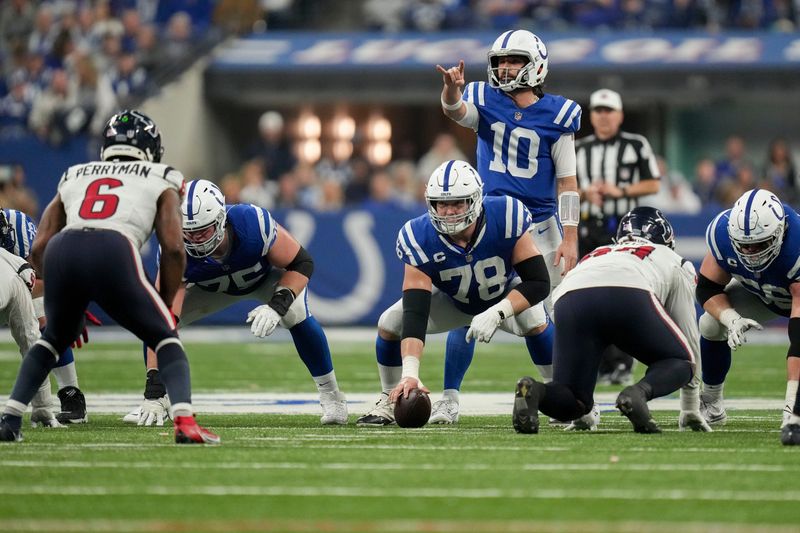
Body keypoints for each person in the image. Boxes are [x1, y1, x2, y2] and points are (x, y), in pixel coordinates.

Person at [0, 109, 219, 444]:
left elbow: (42, 242)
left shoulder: (76, 173)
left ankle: (10, 419)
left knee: (52, 340)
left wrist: (59, 290)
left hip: (63, 249)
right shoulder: (163, 175)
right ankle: (186, 423)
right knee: (166, 337)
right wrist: (164, 302)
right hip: (114, 247)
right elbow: (174, 248)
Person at [428, 29, 581, 424]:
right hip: (491, 221)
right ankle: (449, 398)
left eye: (514, 60)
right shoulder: (485, 99)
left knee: (539, 319)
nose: (505, 67)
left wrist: (570, 236)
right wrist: (451, 92)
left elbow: (567, 182)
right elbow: (457, 112)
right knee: (469, 305)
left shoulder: (559, 114)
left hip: (539, 226)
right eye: (500, 61)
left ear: (537, 65)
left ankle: (560, 401)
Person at [122, 179, 348, 427]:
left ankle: (331, 395)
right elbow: (163, 317)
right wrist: (153, 388)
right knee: (156, 322)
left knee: (296, 314)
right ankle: (159, 399)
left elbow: (302, 263)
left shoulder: (250, 222)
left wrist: (278, 305)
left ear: (220, 220)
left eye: (203, 231)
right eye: (189, 232)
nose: (196, 240)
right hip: (210, 289)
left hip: (263, 280)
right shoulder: (175, 247)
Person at [357, 160, 551, 426]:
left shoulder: (506, 215)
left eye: (458, 203)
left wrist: (498, 311)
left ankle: (558, 395)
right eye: (442, 203)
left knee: (534, 319)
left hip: (504, 296)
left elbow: (538, 282)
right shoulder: (419, 235)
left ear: (475, 200)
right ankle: (390, 399)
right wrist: (410, 373)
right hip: (454, 301)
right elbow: (415, 311)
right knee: (390, 323)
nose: (449, 211)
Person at [512, 207, 710, 434]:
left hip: (570, 298)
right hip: (629, 292)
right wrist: (690, 406)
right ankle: (637, 394)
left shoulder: (599, 252)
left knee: (574, 399)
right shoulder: (671, 258)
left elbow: (572, 315)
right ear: (666, 239)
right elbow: (688, 336)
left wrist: (582, 411)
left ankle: (534, 391)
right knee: (682, 361)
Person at [694, 189, 800, 445]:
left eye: (760, 244)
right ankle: (712, 402)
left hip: (793, 297)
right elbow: (707, 287)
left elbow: (798, 340)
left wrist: (792, 410)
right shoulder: (722, 234)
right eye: (743, 245)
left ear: (779, 233)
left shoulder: (796, 247)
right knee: (709, 324)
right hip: (765, 294)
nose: (750, 252)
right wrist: (731, 318)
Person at [576, 88, 661, 387]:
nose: (603, 115)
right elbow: (562, 188)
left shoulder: (636, 145)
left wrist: (620, 191)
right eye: (598, 110)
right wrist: (586, 193)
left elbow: (653, 183)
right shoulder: (579, 148)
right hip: (587, 228)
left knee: (621, 295)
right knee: (588, 297)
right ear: (591, 115)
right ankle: (599, 362)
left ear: (620, 115)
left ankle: (623, 361)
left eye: (608, 110)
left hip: (622, 230)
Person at [1, 207, 91, 424]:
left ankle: (70, 394)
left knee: (46, 318)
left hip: (11, 289)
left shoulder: (20, 230)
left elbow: (40, 278)